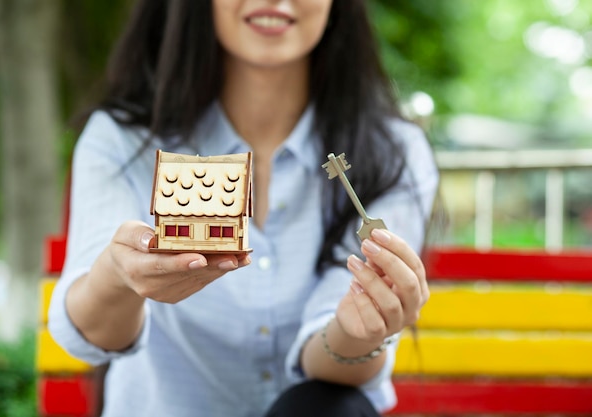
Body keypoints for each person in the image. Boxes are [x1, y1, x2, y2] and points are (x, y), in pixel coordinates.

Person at [48, 1, 439, 416]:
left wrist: (357, 331)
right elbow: (91, 332)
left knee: (327, 406)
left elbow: (329, 361)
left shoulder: (391, 153)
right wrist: (119, 275)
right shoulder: (123, 141)